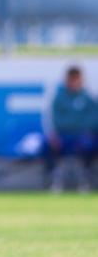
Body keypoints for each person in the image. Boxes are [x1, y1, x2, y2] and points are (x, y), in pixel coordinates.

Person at [43, 65, 96, 193]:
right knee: (48, 144)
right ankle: (53, 176)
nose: (74, 82)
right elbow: (56, 120)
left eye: (76, 79)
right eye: (71, 79)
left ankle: (86, 175)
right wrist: (74, 124)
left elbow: (94, 120)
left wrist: (80, 127)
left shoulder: (88, 98)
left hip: (83, 136)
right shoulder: (59, 98)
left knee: (89, 143)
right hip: (63, 135)